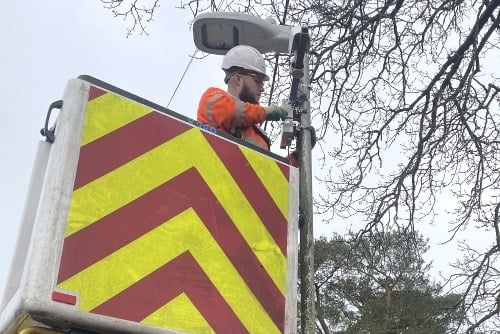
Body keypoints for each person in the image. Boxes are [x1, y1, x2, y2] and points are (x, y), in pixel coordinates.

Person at [196, 45, 304, 166]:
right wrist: (266, 112)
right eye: (257, 81)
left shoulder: (256, 132)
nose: (262, 89)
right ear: (237, 79)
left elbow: (270, 174)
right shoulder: (212, 98)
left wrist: (298, 156)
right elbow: (232, 112)